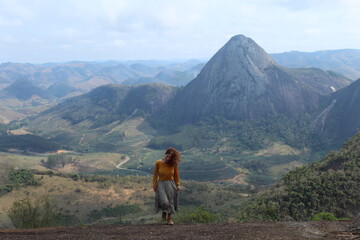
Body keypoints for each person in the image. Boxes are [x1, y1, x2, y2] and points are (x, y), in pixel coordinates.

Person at [152, 147, 181, 225]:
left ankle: (169, 218)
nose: (168, 158)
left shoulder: (173, 164)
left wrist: (178, 184)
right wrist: (154, 185)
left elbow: (176, 175)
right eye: (167, 156)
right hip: (161, 183)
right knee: (164, 201)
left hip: (171, 184)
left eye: (169, 157)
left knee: (171, 201)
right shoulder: (158, 163)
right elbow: (155, 174)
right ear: (165, 154)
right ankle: (164, 212)